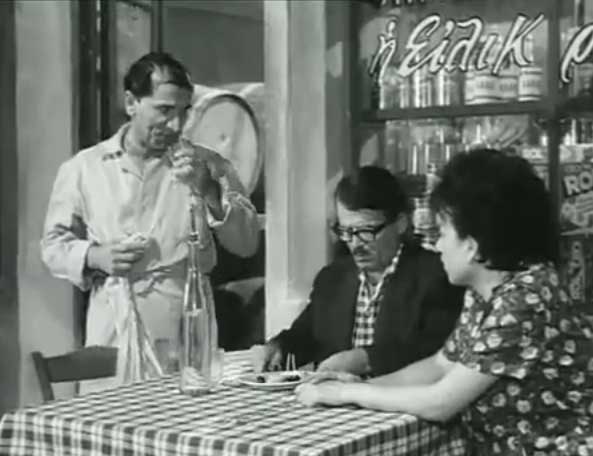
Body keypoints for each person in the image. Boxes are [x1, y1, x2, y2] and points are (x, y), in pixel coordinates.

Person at [296, 149, 593, 456]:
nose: (437, 246)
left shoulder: (526, 299)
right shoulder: (486, 291)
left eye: (442, 233)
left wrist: (346, 393)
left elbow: (441, 402)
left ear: (471, 245)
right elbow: (440, 365)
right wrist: (362, 385)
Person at [41, 52, 260, 391]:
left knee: (180, 418)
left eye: (184, 112)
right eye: (164, 110)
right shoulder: (84, 169)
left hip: (181, 322)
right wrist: (95, 256)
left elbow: (247, 244)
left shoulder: (208, 164)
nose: (176, 125)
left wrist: (209, 191)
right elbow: (53, 246)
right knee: (108, 419)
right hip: (111, 326)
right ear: (131, 103)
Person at [252, 166, 464, 377]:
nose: (355, 244)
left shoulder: (437, 276)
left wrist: (366, 360)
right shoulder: (332, 278)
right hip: (334, 395)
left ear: (400, 223)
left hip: (401, 394)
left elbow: (435, 351)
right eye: (346, 232)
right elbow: (306, 335)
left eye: (366, 231)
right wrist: (278, 348)